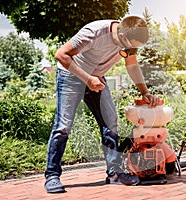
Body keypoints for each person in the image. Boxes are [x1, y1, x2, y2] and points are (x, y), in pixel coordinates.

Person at [44, 15, 160, 193]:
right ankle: (52, 176)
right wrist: (87, 79)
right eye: (132, 45)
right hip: (70, 77)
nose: (133, 50)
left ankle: (114, 173)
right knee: (63, 126)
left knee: (110, 122)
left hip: (96, 78)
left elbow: (132, 65)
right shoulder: (94, 33)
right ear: (122, 36)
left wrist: (145, 92)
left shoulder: (128, 42)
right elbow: (61, 55)